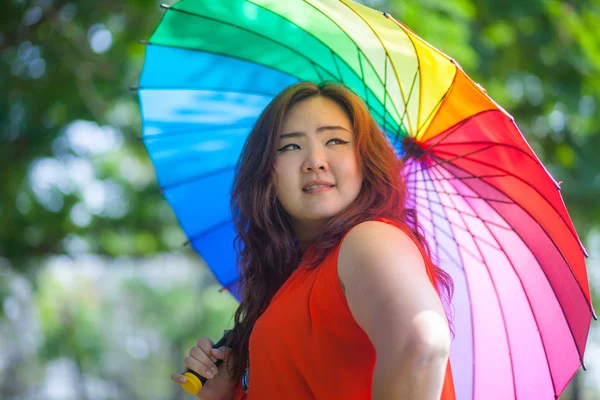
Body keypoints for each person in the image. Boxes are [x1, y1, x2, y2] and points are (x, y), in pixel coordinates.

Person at [170, 81, 455, 400]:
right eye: (290, 146)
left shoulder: (369, 240)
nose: (315, 161)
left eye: (335, 140)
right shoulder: (292, 279)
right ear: (266, 170)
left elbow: (422, 344)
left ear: (363, 160)